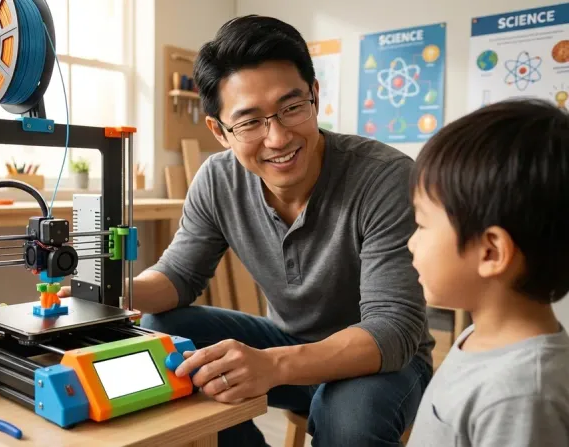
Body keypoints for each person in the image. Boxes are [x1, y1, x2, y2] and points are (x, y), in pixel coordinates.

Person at [61, 15, 434, 446]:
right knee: (160, 327)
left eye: (291, 107)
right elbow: (179, 278)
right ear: (219, 131)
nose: (277, 138)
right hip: (286, 343)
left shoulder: (383, 178)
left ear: (314, 96)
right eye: (250, 122)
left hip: (383, 362)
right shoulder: (218, 180)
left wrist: (272, 366)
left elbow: (393, 328)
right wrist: (102, 287)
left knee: (349, 415)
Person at [405, 99, 569, 446]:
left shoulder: (522, 395)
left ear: (491, 252)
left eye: (421, 225)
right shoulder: (482, 337)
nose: (411, 243)